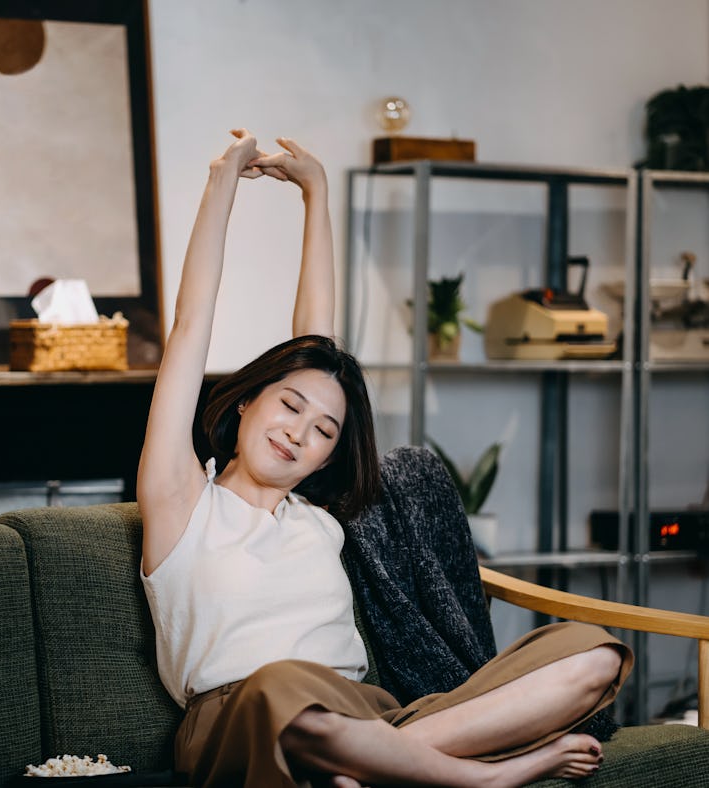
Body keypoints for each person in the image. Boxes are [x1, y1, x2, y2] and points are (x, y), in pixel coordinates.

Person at [137, 129, 633, 788]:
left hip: (373, 720)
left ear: (325, 459)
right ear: (249, 400)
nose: (297, 433)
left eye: (322, 432)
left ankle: (375, 765)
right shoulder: (181, 500)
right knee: (282, 689)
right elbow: (190, 325)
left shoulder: (314, 516)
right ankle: (488, 776)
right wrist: (222, 181)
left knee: (593, 655)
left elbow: (320, 342)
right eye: (289, 406)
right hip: (243, 717)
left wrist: (317, 189)